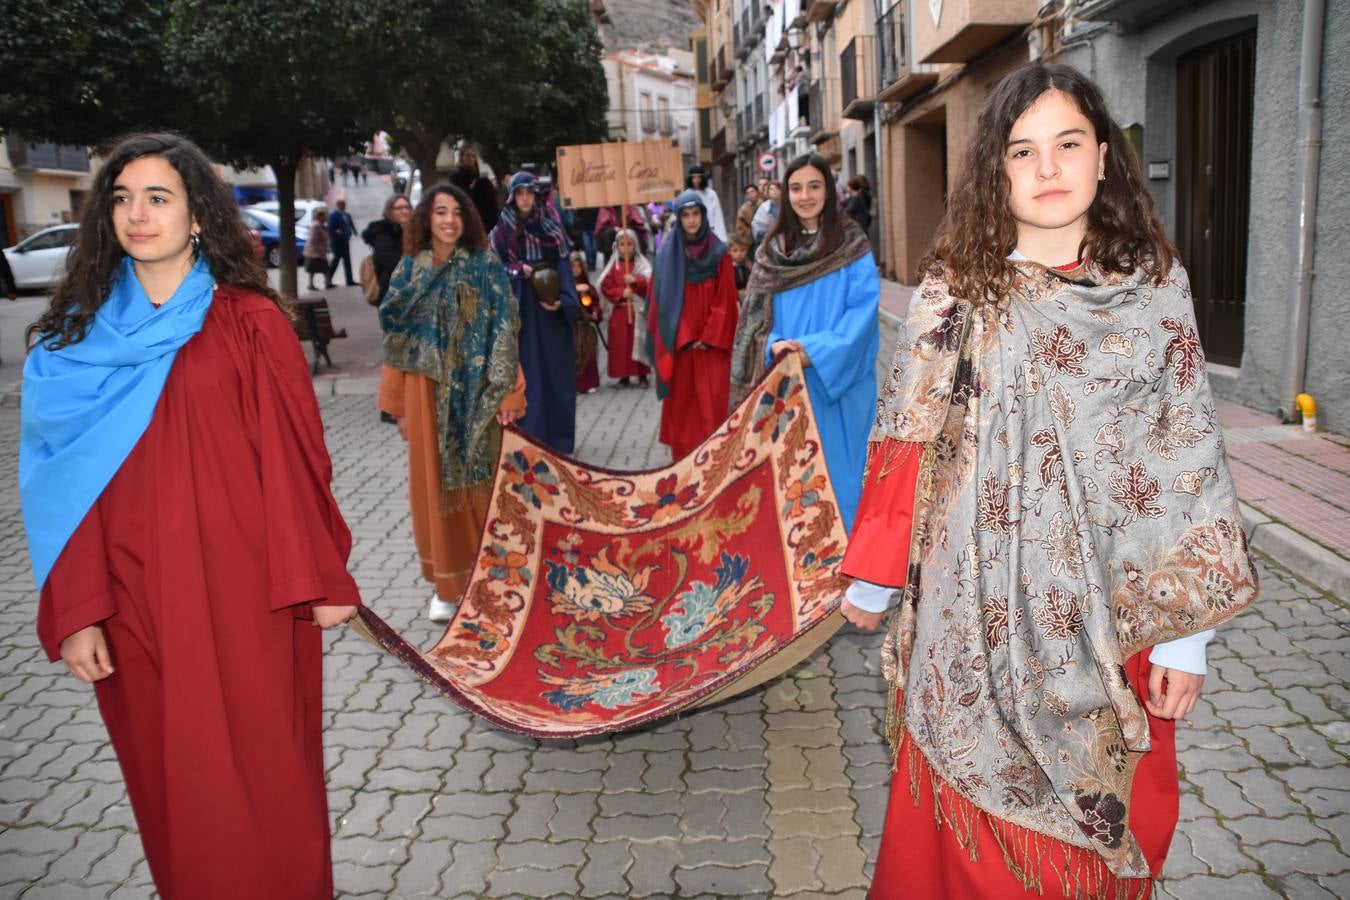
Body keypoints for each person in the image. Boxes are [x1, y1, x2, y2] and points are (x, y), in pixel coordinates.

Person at [838, 64, 1259, 899]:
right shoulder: (958, 291)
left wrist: (1186, 639)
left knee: (1104, 830)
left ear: (1104, 157)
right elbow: (909, 436)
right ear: (998, 172)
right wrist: (876, 579)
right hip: (976, 619)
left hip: (1115, 621)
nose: (1049, 167)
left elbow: (1188, 460)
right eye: (1023, 151)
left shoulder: (1155, 292)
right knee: (972, 852)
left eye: (1068, 144)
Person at [21, 132, 359, 899]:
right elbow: (56, 492)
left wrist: (319, 577)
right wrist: (78, 612)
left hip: (250, 598)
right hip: (135, 604)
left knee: (270, 776)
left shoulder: (248, 323)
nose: (137, 215)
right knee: (175, 788)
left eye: (159, 198)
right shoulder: (72, 342)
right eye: (122, 199)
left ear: (199, 216)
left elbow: (298, 462)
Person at [379, 184, 525, 623]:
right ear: (426, 218)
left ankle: (492, 577)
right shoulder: (409, 270)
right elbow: (397, 341)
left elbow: (505, 328)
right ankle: (448, 586)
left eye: (456, 212)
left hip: (478, 393)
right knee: (435, 491)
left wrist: (511, 390)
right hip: (425, 396)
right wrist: (398, 404)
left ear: (467, 221)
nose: (448, 220)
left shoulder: (486, 266)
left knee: (480, 488)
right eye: (440, 211)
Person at [730, 153, 878, 531]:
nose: (805, 196)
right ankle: (801, 569)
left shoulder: (851, 243)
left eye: (814, 186)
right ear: (785, 194)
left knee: (842, 474)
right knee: (793, 476)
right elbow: (754, 321)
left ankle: (847, 564)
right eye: (796, 188)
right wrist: (778, 345)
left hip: (839, 385)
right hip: (788, 382)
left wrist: (813, 350)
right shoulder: (772, 250)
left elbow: (861, 314)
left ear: (828, 190)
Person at [489, 171, 580, 454]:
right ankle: (532, 439)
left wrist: (564, 301)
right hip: (521, 315)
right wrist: (516, 271)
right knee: (529, 374)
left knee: (557, 375)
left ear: (537, 196)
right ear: (513, 198)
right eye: (519, 193)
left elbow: (565, 270)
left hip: (549, 314)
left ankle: (560, 442)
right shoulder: (500, 232)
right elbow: (490, 271)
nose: (525, 198)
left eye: (529, 192)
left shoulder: (553, 228)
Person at [649, 190, 739, 460]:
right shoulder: (668, 256)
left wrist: (709, 335)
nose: (691, 221)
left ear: (703, 215)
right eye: (685, 215)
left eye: (695, 214)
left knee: (713, 406)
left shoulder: (720, 254)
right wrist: (685, 335)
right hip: (682, 347)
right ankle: (685, 465)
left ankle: (715, 463)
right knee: (684, 408)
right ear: (678, 218)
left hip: (712, 348)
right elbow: (663, 300)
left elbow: (725, 298)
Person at [598, 228, 652, 388]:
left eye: (630, 244)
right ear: (617, 246)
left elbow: (650, 281)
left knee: (640, 342)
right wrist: (622, 292)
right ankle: (624, 376)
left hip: (637, 311)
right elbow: (605, 285)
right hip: (620, 312)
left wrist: (636, 280)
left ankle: (643, 375)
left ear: (635, 245)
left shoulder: (641, 264)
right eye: (622, 244)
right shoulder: (613, 267)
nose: (626, 248)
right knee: (621, 345)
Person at [362, 194, 413, 304]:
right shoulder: (384, 234)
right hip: (392, 293)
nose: (404, 211)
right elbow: (393, 263)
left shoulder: (413, 231)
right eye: (399, 208)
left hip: (411, 291)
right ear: (390, 211)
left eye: (407, 207)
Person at [449, 143, 500, 231]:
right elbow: (458, 195)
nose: (471, 159)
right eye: (468, 156)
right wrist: (473, 186)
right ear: (462, 157)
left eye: (473, 156)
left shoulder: (476, 174)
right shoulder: (456, 175)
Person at [571, 251, 601, 394]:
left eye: (578, 266)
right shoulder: (567, 288)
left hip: (586, 327)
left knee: (588, 355)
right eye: (572, 266)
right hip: (573, 327)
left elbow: (595, 302)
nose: (576, 269)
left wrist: (595, 312)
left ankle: (589, 383)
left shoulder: (588, 287)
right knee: (574, 356)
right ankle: (575, 384)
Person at [686, 165, 728, 241]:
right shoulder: (687, 195)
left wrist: (721, 238)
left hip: (709, 231)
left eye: (699, 177)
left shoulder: (711, 194)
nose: (696, 180)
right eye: (694, 177)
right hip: (692, 232)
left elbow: (718, 216)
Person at [326, 198, 357, 286]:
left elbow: (350, 223)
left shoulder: (347, 214)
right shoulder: (333, 215)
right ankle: (328, 280)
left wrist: (353, 231)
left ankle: (349, 280)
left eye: (344, 205)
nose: (344, 206)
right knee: (336, 260)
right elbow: (330, 227)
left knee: (347, 260)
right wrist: (336, 232)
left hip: (345, 240)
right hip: (337, 241)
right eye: (342, 205)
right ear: (338, 205)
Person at [302, 207, 331, 290]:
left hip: (315, 251)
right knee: (320, 268)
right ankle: (325, 282)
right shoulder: (316, 226)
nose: (326, 218)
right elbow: (314, 239)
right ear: (320, 217)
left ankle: (325, 282)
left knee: (316, 269)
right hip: (315, 252)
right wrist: (319, 250)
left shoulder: (318, 225)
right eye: (325, 216)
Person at [751, 179, 780, 244]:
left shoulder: (788, 204)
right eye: (771, 189)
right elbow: (757, 225)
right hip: (768, 240)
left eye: (777, 188)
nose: (774, 191)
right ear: (768, 192)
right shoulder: (764, 207)